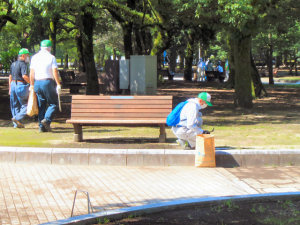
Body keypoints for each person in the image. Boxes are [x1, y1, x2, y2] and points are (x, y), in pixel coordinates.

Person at [30, 40, 61, 132]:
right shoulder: (51, 57)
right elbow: (54, 71)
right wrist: (58, 84)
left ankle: (41, 127)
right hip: (47, 82)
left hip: (37, 83)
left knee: (41, 105)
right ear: (49, 48)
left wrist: (31, 85)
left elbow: (32, 73)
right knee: (53, 103)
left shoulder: (34, 57)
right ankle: (46, 120)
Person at [9, 48, 31, 128]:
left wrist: (9, 88)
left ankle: (16, 124)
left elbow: (10, 76)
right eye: (27, 55)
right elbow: (24, 76)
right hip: (20, 85)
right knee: (26, 105)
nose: (28, 57)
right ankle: (17, 118)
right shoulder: (23, 64)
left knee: (14, 106)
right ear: (23, 55)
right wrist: (31, 83)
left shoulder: (13, 64)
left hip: (13, 85)